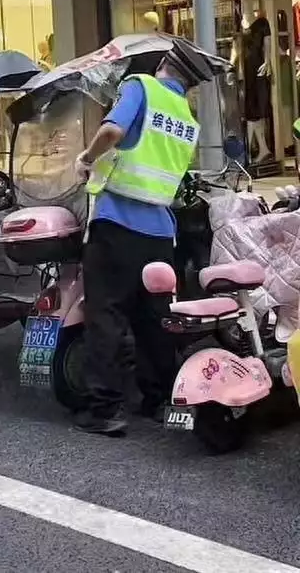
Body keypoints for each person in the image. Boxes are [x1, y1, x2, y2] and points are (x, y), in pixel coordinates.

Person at [74, 39, 214, 437]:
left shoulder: (140, 87)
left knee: (107, 315)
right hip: (159, 234)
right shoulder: (187, 118)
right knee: (154, 321)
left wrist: (86, 159)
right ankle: (158, 399)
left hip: (117, 223)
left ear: (165, 64)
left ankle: (104, 409)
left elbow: (114, 130)